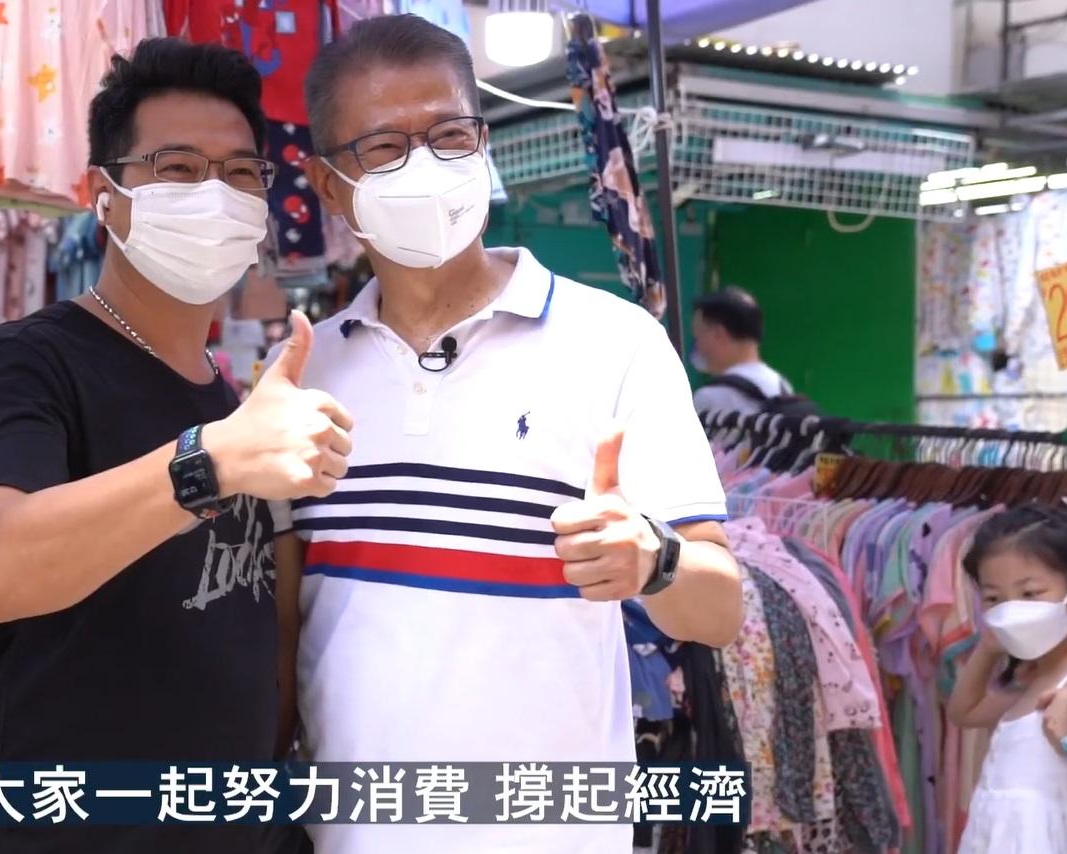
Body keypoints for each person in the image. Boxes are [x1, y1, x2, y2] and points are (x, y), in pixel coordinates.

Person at [280, 14, 744, 853]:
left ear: (483, 144)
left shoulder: (617, 343)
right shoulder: (305, 375)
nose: (425, 166)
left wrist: (654, 559)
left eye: (450, 135)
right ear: (327, 184)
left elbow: (719, 609)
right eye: (384, 147)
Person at [0, 38, 347, 854]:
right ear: (106, 196)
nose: (216, 196)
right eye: (178, 168)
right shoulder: (33, 362)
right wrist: (209, 463)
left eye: (241, 174)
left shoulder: (228, 398)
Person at [946, 505, 1067, 853]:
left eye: (1030, 594)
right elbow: (964, 712)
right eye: (994, 598)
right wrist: (988, 649)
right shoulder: (1034, 677)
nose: (1011, 609)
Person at [690, 287, 795, 415]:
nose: (697, 346)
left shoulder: (708, 398)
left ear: (719, 334)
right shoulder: (782, 386)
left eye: (698, 337)